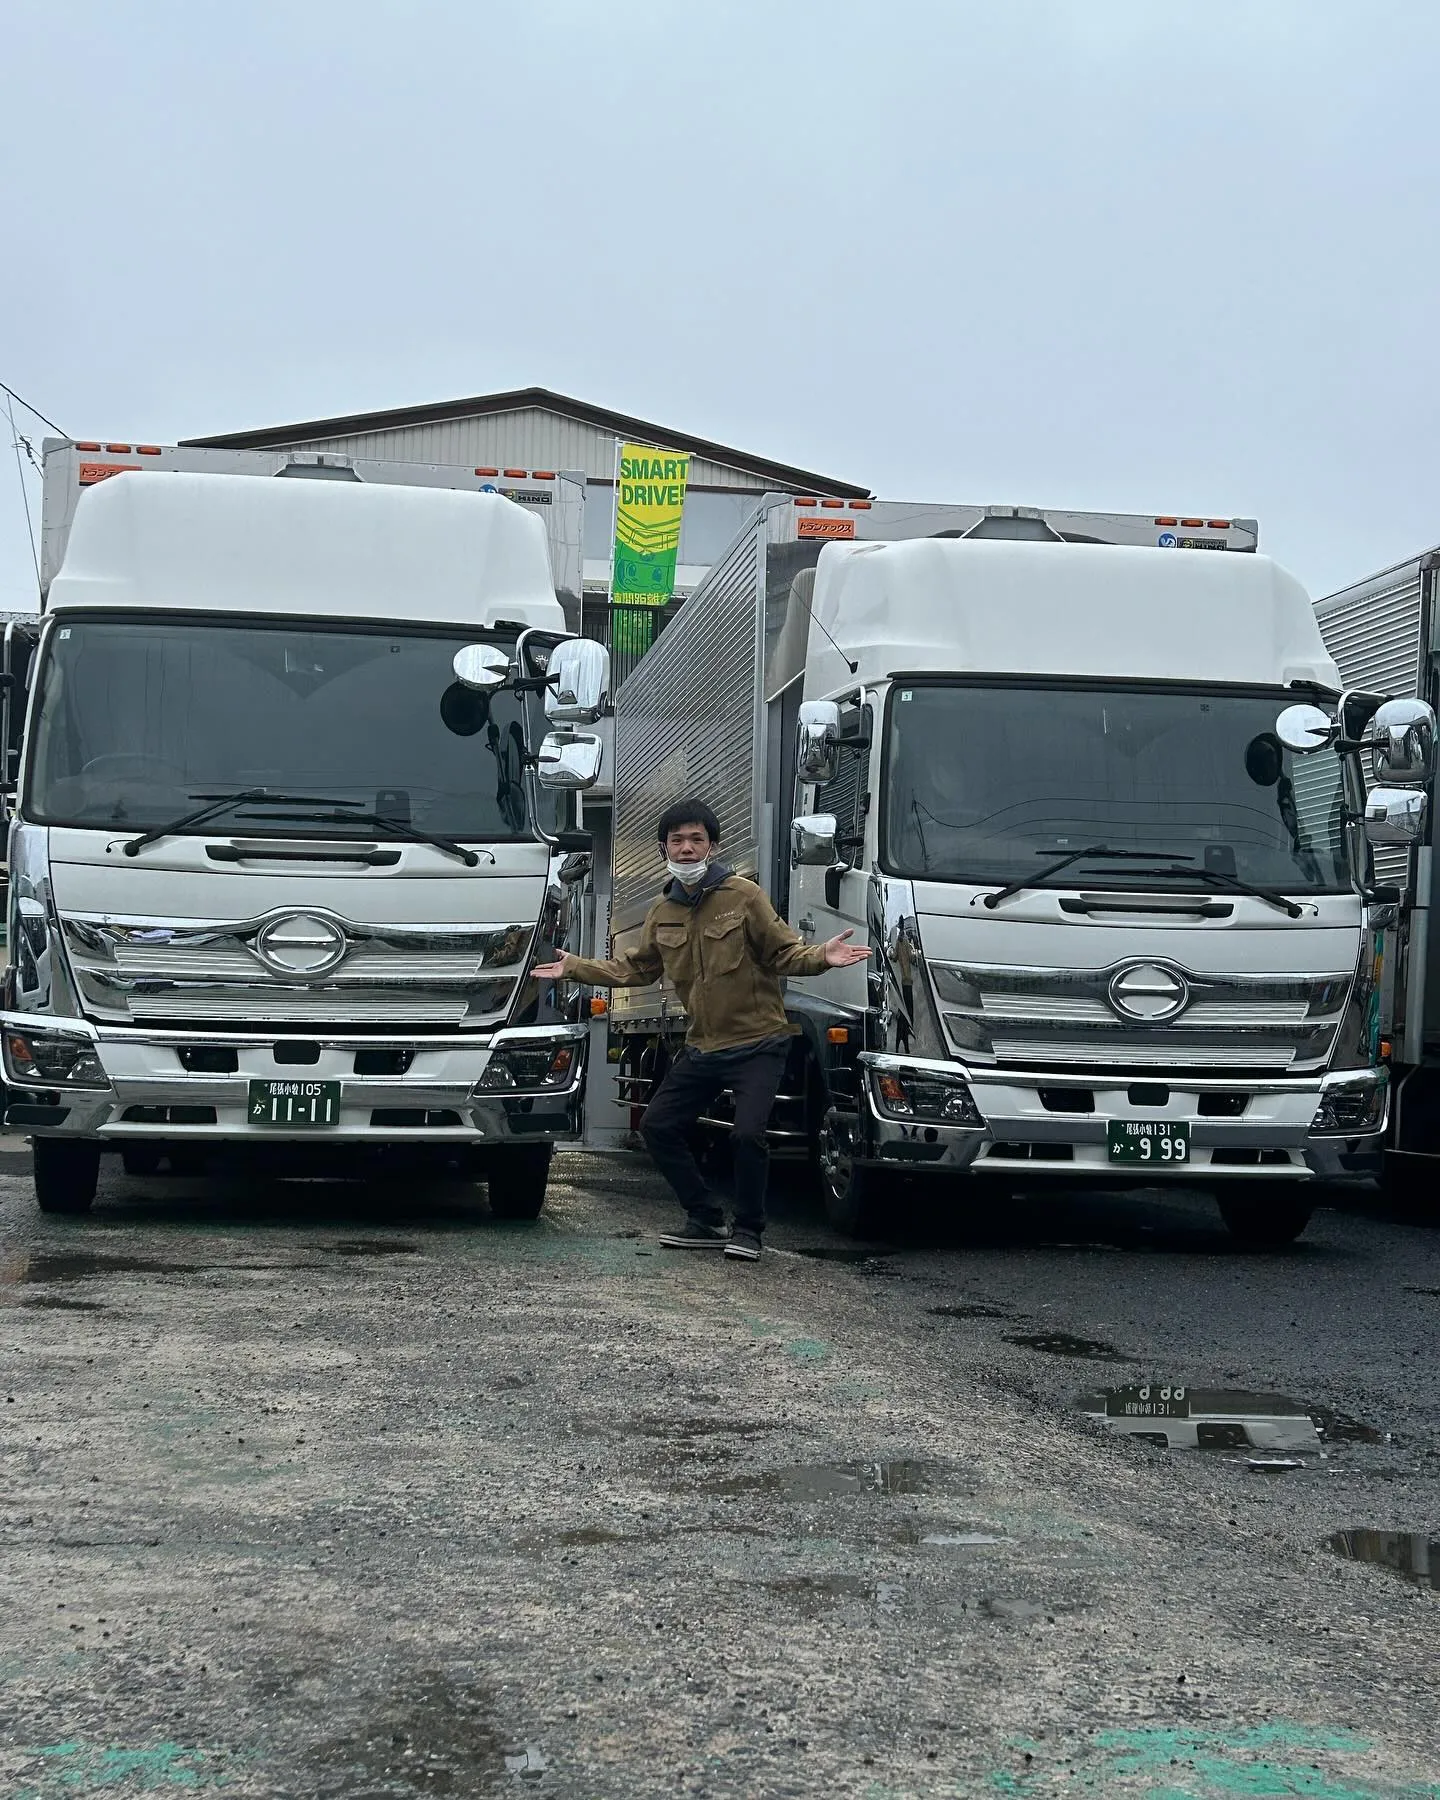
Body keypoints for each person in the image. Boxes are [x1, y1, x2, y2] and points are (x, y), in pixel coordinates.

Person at [531, 797, 869, 1262]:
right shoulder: (661, 911)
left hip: (759, 1042)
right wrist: (575, 967)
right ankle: (704, 1217)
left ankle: (749, 1229)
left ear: (712, 846)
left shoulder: (743, 896)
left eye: (696, 839)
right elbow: (635, 971)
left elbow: (782, 953)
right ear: (664, 849)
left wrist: (820, 957)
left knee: (747, 1134)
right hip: (703, 1046)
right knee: (658, 1126)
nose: (686, 848)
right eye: (677, 841)